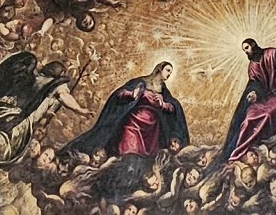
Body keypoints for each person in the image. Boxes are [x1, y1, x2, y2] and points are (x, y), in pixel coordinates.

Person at [65, 61, 189, 199]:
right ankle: (106, 186)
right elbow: (119, 95)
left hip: (152, 130)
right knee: (128, 157)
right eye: (167, 70)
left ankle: (128, 191)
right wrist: (132, 94)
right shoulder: (141, 83)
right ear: (159, 69)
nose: (169, 74)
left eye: (171, 72)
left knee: (143, 163)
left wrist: (163, 105)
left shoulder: (164, 91)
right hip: (133, 124)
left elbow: (173, 107)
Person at [217, 38, 276, 168]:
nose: (246, 52)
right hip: (266, 97)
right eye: (244, 50)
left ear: (254, 45)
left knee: (267, 115)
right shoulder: (252, 66)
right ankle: (240, 151)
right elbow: (255, 83)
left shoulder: (271, 54)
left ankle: (258, 143)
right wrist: (254, 92)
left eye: (247, 48)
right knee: (249, 116)